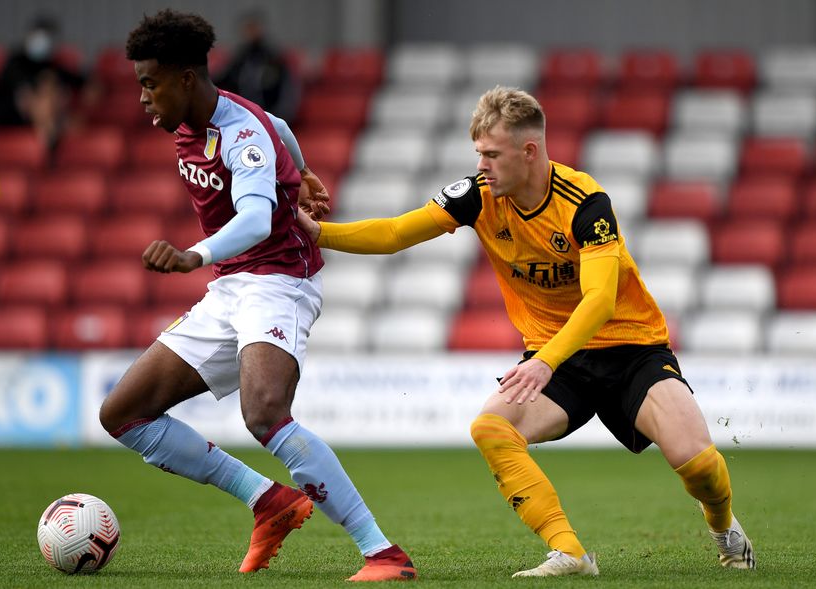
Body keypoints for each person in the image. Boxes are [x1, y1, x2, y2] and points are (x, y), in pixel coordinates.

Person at [297, 86, 756, 577]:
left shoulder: (586, 203)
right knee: (491, 428)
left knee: (698, 465)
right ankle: (571, 553)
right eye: (478, 153)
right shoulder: (477, 197)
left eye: (491, 154)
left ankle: (724, 525)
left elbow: (599, 301)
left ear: (529, 151)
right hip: (557, 361)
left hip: (631, 349)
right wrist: (321, 233)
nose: (482, 165)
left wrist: (544, 361)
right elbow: (395, 233)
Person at [97, 10, 413, 582]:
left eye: (150, 82)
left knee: (264, 412)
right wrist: (308, 170)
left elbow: (256, 216)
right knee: (124, 414)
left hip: (279, 278)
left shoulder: (237, 134)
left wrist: (195, 255)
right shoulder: (206, 117)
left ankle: (382, 552)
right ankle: (268, 500)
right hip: (232, 286)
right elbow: (278, 122)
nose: (143, 97)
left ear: (186, 78)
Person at [0, 15, 86, 150]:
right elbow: (22, 91)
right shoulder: (15, 62)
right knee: (44, 97)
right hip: (10, 118)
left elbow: (79, 80)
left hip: (46, 122)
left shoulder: (51, 65)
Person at [215, 10, 300, 125]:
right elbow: (223, 80)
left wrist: (281, 117)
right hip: (244, 117)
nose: (251, 33)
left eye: (253, 28)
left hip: (271, 117)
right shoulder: (240, 58)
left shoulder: (274, 58)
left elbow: (287, 90)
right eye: (247, 29)